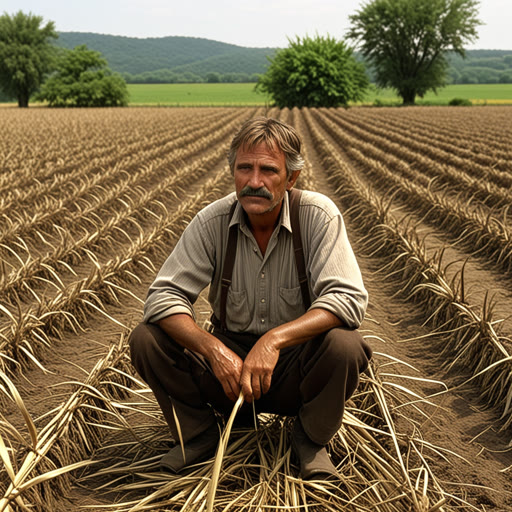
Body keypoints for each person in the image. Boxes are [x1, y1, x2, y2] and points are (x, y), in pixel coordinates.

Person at [129, 117, 372, 480]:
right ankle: (197, 435)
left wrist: (274, 341)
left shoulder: (318, 217)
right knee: (147, 338)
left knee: (345, 346)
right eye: (244, 168)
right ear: (233, 171)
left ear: (291, 179)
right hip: (227, 372)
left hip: (293, 367)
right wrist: (213, 350)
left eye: (268, 170)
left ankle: (310, 441)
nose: (254, 181)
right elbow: (163, 296)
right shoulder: (212, 221)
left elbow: (348, 298)